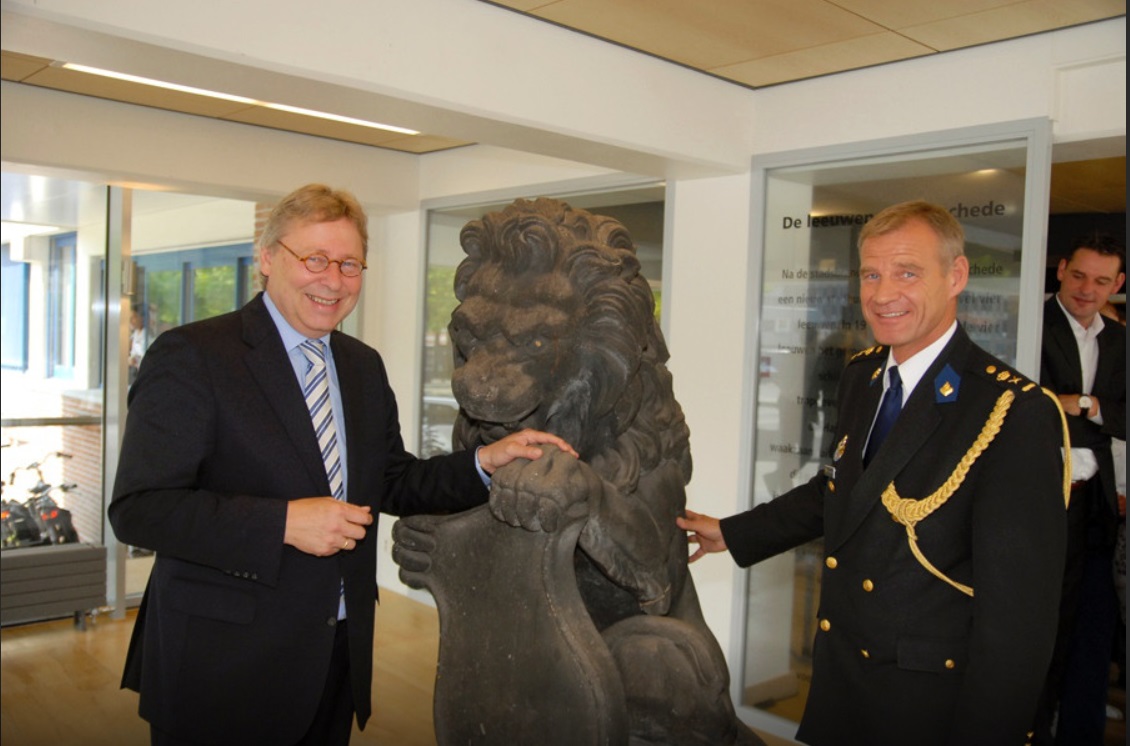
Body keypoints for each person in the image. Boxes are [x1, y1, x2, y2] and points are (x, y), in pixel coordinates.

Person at [108, 183, 576, 746]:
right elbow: (140, 509)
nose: (333, 280)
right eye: (315, 259)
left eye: (349, 264)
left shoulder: (361, 366)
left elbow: (393, 481)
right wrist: (283, 523)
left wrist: (484, 462)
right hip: (220, 663)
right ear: (267, 258)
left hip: (334, 654)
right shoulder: (193, 355)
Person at [677, 201, 1069, 746]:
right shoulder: (863, 377)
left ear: (956, 276)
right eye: (870, 274)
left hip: (926, 707)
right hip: (844, 685)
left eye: (907, 273)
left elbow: (1018, 621)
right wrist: (733, 532)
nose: (883, 294)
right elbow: (843, 490)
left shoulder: (1010, 411)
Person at [1034, 232, 1126, 745]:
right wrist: (1076, 408)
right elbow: (1029, 408)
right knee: (1044, 630)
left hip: (1098, 506)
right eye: (1079, 276)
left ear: (1118, 284)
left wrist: (1087, 405)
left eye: (1101, 281)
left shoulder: (1119, 341)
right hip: (1044, 499)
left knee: (1091, 632)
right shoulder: (1033, 325)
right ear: (1061, 270)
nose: (1087, 290)